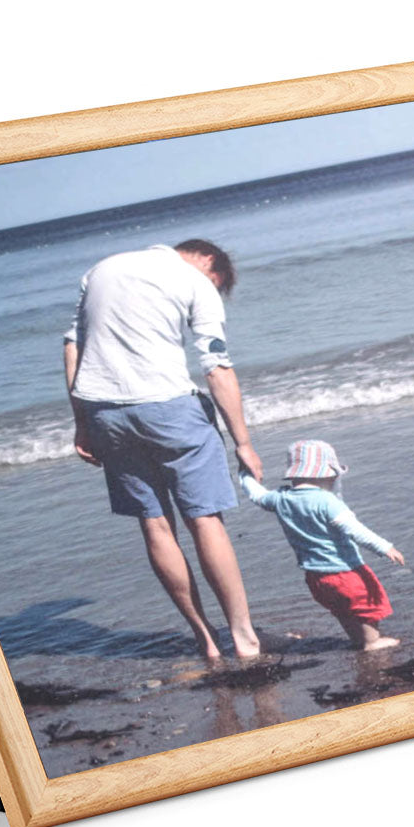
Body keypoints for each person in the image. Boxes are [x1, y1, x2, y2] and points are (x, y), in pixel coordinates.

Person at [63, 239, 263, 660]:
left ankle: (206, 639)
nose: (214, 287)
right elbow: (216, 366)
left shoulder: (102, 268)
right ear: (209, 260)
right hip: (169, 409)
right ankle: (243, 638)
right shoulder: (194, 280)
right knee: (205, 521)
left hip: (104, 413)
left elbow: (73, 347)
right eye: (217, 281)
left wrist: (82, 421)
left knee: (155, 527)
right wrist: (244, 443)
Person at [240, 439, 406, 651]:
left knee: (342, 609)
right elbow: (355, 530)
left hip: (316, 577)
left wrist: (244, 473)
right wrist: (385, 547)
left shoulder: (281, 498)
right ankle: (372, 641)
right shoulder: (327, 502)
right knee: (366, 605)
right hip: (345, 571)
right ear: (327, 473)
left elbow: (257, 494)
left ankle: (357, 639)